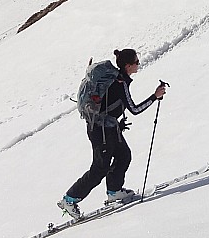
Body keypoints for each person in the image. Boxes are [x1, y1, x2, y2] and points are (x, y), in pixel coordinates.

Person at [57, 49, 166, 218]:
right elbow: (135, 109)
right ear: (128, 65)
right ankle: (69, 200)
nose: (138, 64)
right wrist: (155, 96)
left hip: (108, 127)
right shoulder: (119, 82)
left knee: (124, 155)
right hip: (100, 130)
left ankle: (114, 192)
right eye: (136, 62)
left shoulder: (117, 79)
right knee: (100, 168)